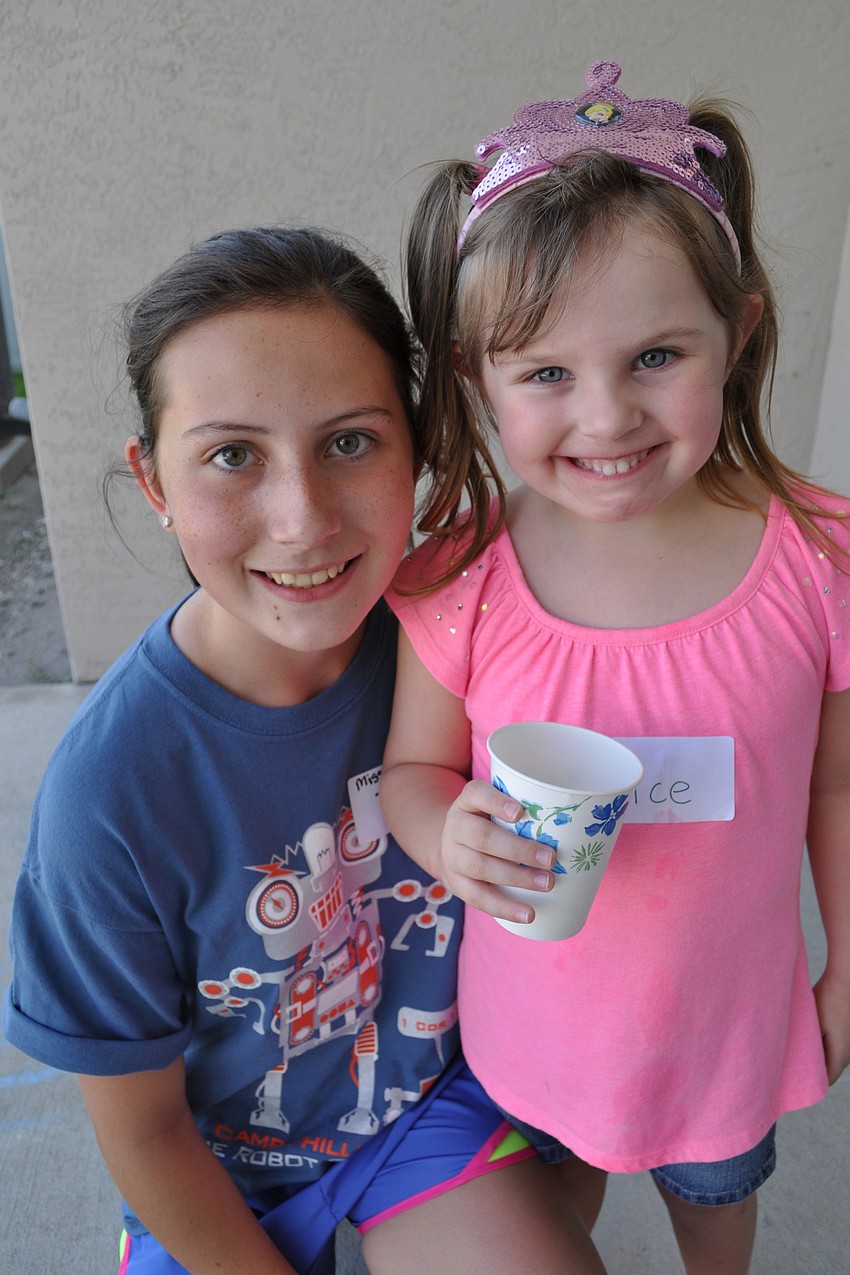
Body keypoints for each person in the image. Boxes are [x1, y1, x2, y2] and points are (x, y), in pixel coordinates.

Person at [2, 227, 607, 1275]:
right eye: (232, 455)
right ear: (153, 481)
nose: (302, 521)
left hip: (426, 1115)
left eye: (349, 442)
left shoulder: (471, 651)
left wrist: (571, 1168)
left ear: (416, 445)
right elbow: (143, 1131)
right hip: (216, 1165)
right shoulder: (111, 793)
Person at [381, 60, 850, 1275]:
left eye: (654, 357)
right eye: (544, 373)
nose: (605, 418)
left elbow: (837, 790)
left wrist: (847, 970)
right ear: (477, 376)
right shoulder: (461, 578)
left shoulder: (817, 560)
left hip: (726, 1027)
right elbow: (414, 770)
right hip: (537, 1028)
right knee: (550, 1213)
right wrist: (448, 832)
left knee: (718, 1193)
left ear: (737, 335)